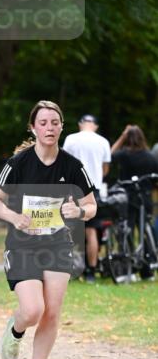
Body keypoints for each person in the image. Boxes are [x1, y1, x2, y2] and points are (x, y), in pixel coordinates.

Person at [0, 100, 96, 359]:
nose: (50, 128)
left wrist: (79, 213)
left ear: (62, 127)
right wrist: (13, 217)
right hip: (22, 244)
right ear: (33, 128)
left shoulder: (72, 166)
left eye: (55, 122)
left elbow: (91, 206)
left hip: (58, 244)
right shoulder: (18, 164)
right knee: (33, 309)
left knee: (52, 312)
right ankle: (16, 328)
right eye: (43, 123)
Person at [62, 114, 111, 282]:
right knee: (91, 230)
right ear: (95, 126)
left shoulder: (71, 139)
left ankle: (70, 268)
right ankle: (91, 270)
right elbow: (105, 170)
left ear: (80, 124)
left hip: (73, 188)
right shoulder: (103, 141)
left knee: (68, 229)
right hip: (93, 189)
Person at [110, 125, 158, 234]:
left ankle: (128, 249)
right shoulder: (150, 156)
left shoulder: (124, 155)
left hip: (128, 197)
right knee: (146, 228)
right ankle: (149, 249)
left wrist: (122, 137)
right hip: (145, 197)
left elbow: (109, 155)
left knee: (128, 229)